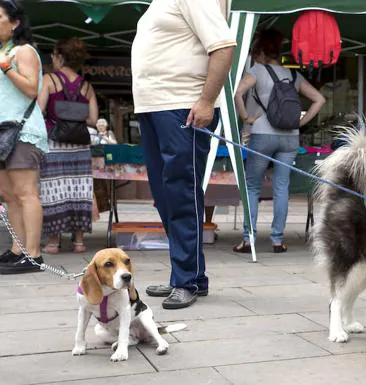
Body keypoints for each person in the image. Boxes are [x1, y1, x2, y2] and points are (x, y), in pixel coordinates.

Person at [131, 0, 236, 309]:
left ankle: (186, 279)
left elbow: (223, 46)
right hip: (154, 105)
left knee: (180, 192)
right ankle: (190, 274)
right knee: (165, 194)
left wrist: (206, 100)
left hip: (180, 105)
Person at [232, 29, 326, 254]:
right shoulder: (294, 75)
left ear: (261, 52)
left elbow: (237, 93)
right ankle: (277, 240)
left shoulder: (257, 71)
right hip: (290, 137)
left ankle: (249, 239)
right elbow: (320, 99)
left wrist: (246, 117)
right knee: (281, 187)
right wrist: (301, 122)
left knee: (252, 187)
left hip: (262, 134)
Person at [0, 0, 49, 274]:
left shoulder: (23, 51)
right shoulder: (5, 51)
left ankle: (33, 254)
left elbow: (32, 89)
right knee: (9, 194)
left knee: (26, 193)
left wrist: (6, 68)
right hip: (3, 131)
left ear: (15, 22)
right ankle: (18, 249)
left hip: (21, 130)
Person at [37, 37, 98, 254]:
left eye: (53, 56)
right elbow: (92, 120)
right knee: (79, 190)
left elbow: (39, 109)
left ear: (60, 57)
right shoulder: (86, 86)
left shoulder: (49, 80)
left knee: (54, 190)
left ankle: (53, 243)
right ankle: (79, 242)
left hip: (54, 143)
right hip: (80, 146)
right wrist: (76, 114)